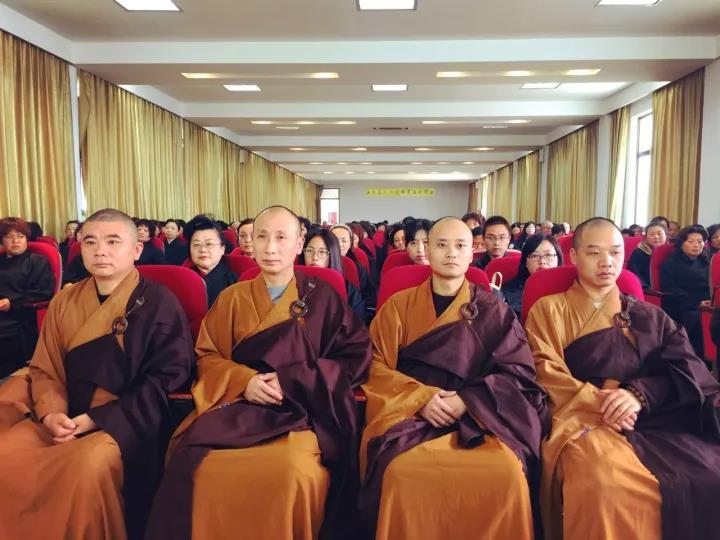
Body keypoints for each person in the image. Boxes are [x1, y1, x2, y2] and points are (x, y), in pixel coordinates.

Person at [146, 206, 371, 540]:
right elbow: (206, 356)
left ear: (299, 244)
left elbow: (354, 358)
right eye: (261, 236)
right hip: (237, 407)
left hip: (301, 411)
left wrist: (294, 381)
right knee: (196, 465)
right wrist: (244, 381)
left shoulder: (324, 297)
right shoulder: (232, 298)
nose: (269, 247)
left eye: (281, 237)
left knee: (292, 471)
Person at [0, 208, 194, 539]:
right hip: (61, 415)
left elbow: (166, 380)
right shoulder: (65, 300)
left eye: (112, 241)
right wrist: (52, 413)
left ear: (136, 250)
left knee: (84, 469)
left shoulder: (160, 303)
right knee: (7, 455)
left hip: (124, 421)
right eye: (90, 241)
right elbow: (45, 366)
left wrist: (94, 419)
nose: (100, 250)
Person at [525, 217, 720, 540]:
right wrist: (603, 402)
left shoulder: (649, 316)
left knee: (709, 472)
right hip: (583, 418)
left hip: (655, 417)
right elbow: (544, 370)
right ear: (573, 257)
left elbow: (688, 370)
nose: (607, 262)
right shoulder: (549, 310)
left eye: (615, 252)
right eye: (594, 253)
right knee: (605, 484)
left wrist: (638, 395)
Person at [360, 217, 548, 540]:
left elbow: (518, 374)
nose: (451, 253)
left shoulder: (495, 311)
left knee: (506, 473)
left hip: (482, 417)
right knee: (401, 473)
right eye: (441, 245)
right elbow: (374, 368)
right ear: (427, 251)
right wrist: (420, 399)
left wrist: (468, 401)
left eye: (460, 246)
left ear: (471, 253)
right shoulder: (397, 308)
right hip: (410, 416)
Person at [0, 217, 55, 377]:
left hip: (20, 316)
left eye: (20, 236)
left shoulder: (37, 261)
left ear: (27, 238)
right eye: (9, 237)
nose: (15, 240)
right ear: (2, 240)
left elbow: (44, 292)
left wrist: (11, 303)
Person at [660, 224, 711, 358]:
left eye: (700, 242)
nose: (696, 245)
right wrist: (697, 304)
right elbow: (670, 290)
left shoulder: (705, 261)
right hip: (682, 305)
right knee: (698, 320)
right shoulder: (671, 263)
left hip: (707, 303)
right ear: (682, 243)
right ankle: (698, 359)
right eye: (691, 242)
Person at [298, 228, 367, 323]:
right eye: (309, 251)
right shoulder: (291, 283)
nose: (315, 258)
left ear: (332, 256)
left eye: (322, 252)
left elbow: (358, 327)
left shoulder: (348, 290)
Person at [501, 234, 563, 317]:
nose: (542, 261)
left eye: (548, 255)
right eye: (535, 256)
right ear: (526, 262)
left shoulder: (570, 288)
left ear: (558, 259)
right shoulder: (508, 292)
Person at [185, 215, 238, 307]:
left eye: (209, 244)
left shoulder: (233, 281)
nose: (203, 250)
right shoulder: (183, 278)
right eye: (196, 245)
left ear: (222, 249)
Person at [331, 223, 377, 310]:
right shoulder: (320, 265)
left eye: (344, 241)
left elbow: (369, 300)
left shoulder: (357, 268)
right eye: (334, 240)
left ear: (350, 243)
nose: (339, 245)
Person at [627, 220, 667, 289]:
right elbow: (634, 275)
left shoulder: (672, 252)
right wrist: (647, 289)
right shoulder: (639, 253)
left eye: (659, 233)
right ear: (645, 237)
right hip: (648, 291)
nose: (656, 237)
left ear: (666, 236)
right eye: (652, 234)